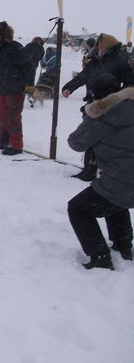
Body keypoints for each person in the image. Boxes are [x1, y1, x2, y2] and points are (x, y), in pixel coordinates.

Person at [67, 73, 134, 270]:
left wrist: (89, 115)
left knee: (78, 208)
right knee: (113, 199)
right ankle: (123, 246)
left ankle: (100, 256)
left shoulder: (102, 115)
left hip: (122, 180)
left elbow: (76, 143)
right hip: (126, 181)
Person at [62, 33, 134, 181]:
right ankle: (90, 167)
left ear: (106, 44)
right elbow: (83, 76)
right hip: (93, 102)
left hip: (111, 106)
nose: (96, 46)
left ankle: (101, 168)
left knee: (105, 137)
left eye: (99, 43)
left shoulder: (120, 60)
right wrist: (69, 87)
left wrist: (121, 98)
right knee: (90, 134)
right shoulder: (95, 60)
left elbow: (129, 83)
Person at [0, 21, 33, 156]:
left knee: (13, 117)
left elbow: (28, 66)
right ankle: (3, 141)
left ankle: (16, 145)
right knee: (2, 116)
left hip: (15, 89)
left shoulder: (16, 48)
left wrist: (29, 84)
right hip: (2, 90)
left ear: (6, 35)